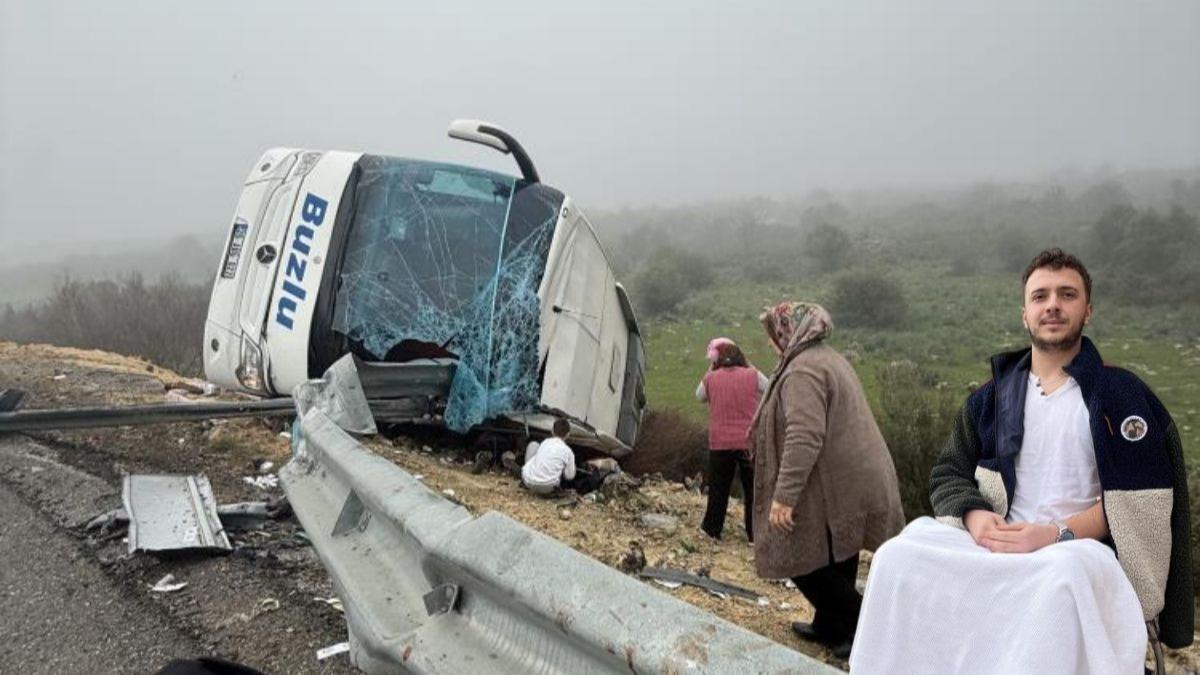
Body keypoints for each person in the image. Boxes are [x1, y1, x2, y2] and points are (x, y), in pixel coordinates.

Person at [851, 249, 1193, 674]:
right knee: (897, 555)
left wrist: (1053, 534)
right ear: (1025, 314)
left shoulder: (1123, 397)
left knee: (1061, 582)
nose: (1052, 304)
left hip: (1080, 551)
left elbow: (1141, 501)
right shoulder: (993, 396)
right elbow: (948, 472)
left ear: (1087, 311)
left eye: (1067, 294)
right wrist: (975, 515)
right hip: (1000, 540)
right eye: (1040, 296)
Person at [748, 302, 905, 659]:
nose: (771, 343)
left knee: (799, 559)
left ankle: (866, 626)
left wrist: (784, 496)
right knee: (839, 549)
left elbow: (805, 436)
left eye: (774, 334)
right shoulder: (824, 357)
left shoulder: (803, 371)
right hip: (851, 477)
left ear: (789, 332)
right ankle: (830, 627)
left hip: (842, 480)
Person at [695, 337, 768, 542]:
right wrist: (750, 365)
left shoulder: (712, 378)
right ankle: (755, 533)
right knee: (753, 489)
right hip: (749, 443)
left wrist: (711, 368)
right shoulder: (752, 375)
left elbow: (699, 396)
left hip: (720, 443)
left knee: (719, 488)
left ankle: (712, 530)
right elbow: (770, 388)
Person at [520, 418, 609, 495]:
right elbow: (569, 476)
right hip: (549, 487)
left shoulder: (545, 442)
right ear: (568, 435)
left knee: (533, 445)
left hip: (529, 482)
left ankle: (526, 477)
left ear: (552, 430)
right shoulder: (568, 451)